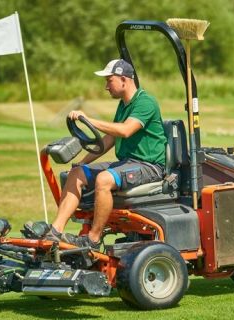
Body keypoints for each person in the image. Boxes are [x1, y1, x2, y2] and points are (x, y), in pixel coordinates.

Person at [45, 59, 167, 249]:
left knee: (104, 179)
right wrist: (81, 163)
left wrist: (88, 120)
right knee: (76, 174)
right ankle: (54, 232)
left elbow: (125, 130)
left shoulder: (146, 102)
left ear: (124, 80)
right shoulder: (124, 105)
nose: (106, 87)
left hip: (149, 166)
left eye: (109, 80)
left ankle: (92, 239)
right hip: (128, 163)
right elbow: (109, 140)